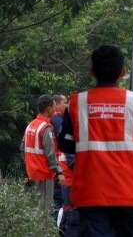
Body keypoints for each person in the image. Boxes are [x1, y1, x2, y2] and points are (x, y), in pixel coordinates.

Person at [58, 45, 133, 236]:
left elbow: (65, 144)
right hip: (128, 191)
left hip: (90, 193)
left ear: (92, 72)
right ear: (122, 72)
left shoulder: (77, 102)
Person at [20, 95, 66, 213]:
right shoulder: (46, 127)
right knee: (45, 209)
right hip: (44, 174)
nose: (54, 110)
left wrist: (31, 163)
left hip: (32, 172)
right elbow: (50, 154)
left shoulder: (31, 125)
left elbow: (22, 148)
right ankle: (43, 232)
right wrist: (59, 172)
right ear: (48, 109)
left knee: (35, 206)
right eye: (53, 107)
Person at [51, 94, 68, 223]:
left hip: (58, 166)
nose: (66, 105)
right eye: (64, 102)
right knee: (59, 202)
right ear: (56, 104)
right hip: (60, 168)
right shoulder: (57, 120)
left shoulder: (59, 119)